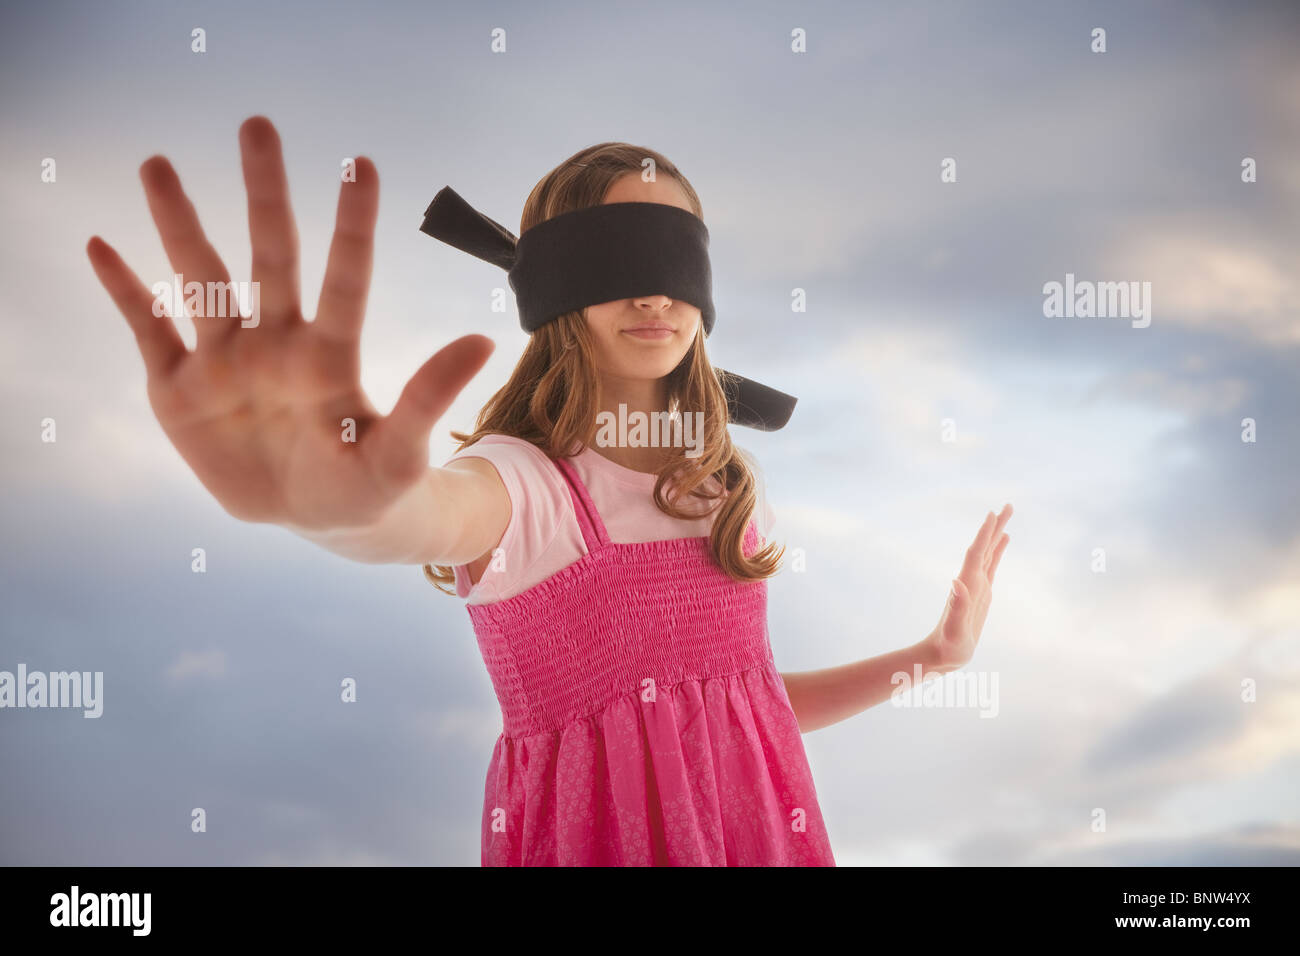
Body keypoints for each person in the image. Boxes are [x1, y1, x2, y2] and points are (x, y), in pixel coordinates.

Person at [86, 115, 1012, 866]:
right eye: (619, 261)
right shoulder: (525, 486)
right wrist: (332, 505)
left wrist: (930, 657)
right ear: (557, 288)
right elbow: (422, 515)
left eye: (672, 260)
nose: (654, 296)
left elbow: (742, 710)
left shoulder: (725, 487)